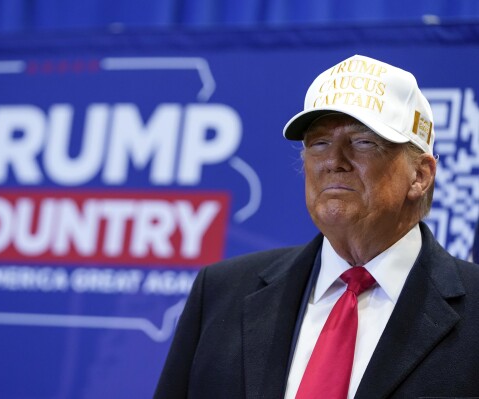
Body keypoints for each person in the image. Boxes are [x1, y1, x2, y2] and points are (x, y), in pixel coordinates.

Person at [153, 54, 479, 399]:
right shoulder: (221, 293)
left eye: (363, 142)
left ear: (420, 175)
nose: (333, 161)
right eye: (319, 143)